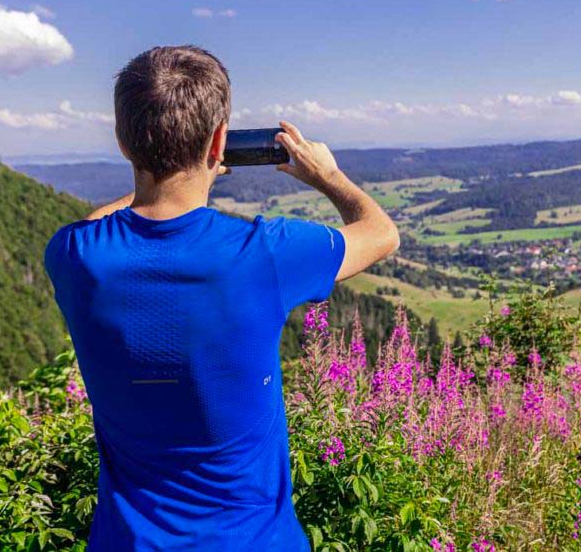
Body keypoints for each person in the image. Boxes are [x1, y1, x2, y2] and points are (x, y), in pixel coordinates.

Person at [43, 45, 399, 550]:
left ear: (123, 142)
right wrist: (326, 175)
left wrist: (177, 171)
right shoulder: (264, 255)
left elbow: (99, 222)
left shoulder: (74, 258)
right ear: (219, 143)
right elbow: (381, 233)